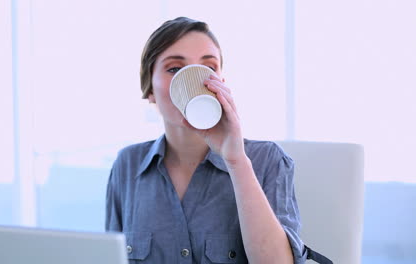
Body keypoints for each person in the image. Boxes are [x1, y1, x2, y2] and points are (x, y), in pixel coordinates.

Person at [106, 17, 307, 264]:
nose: (194, 80)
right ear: (149, 89)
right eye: (175, 69)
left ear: (220, 84)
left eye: (209, 68)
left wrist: (236, 161)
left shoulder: (267, 160)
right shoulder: (128, 164)